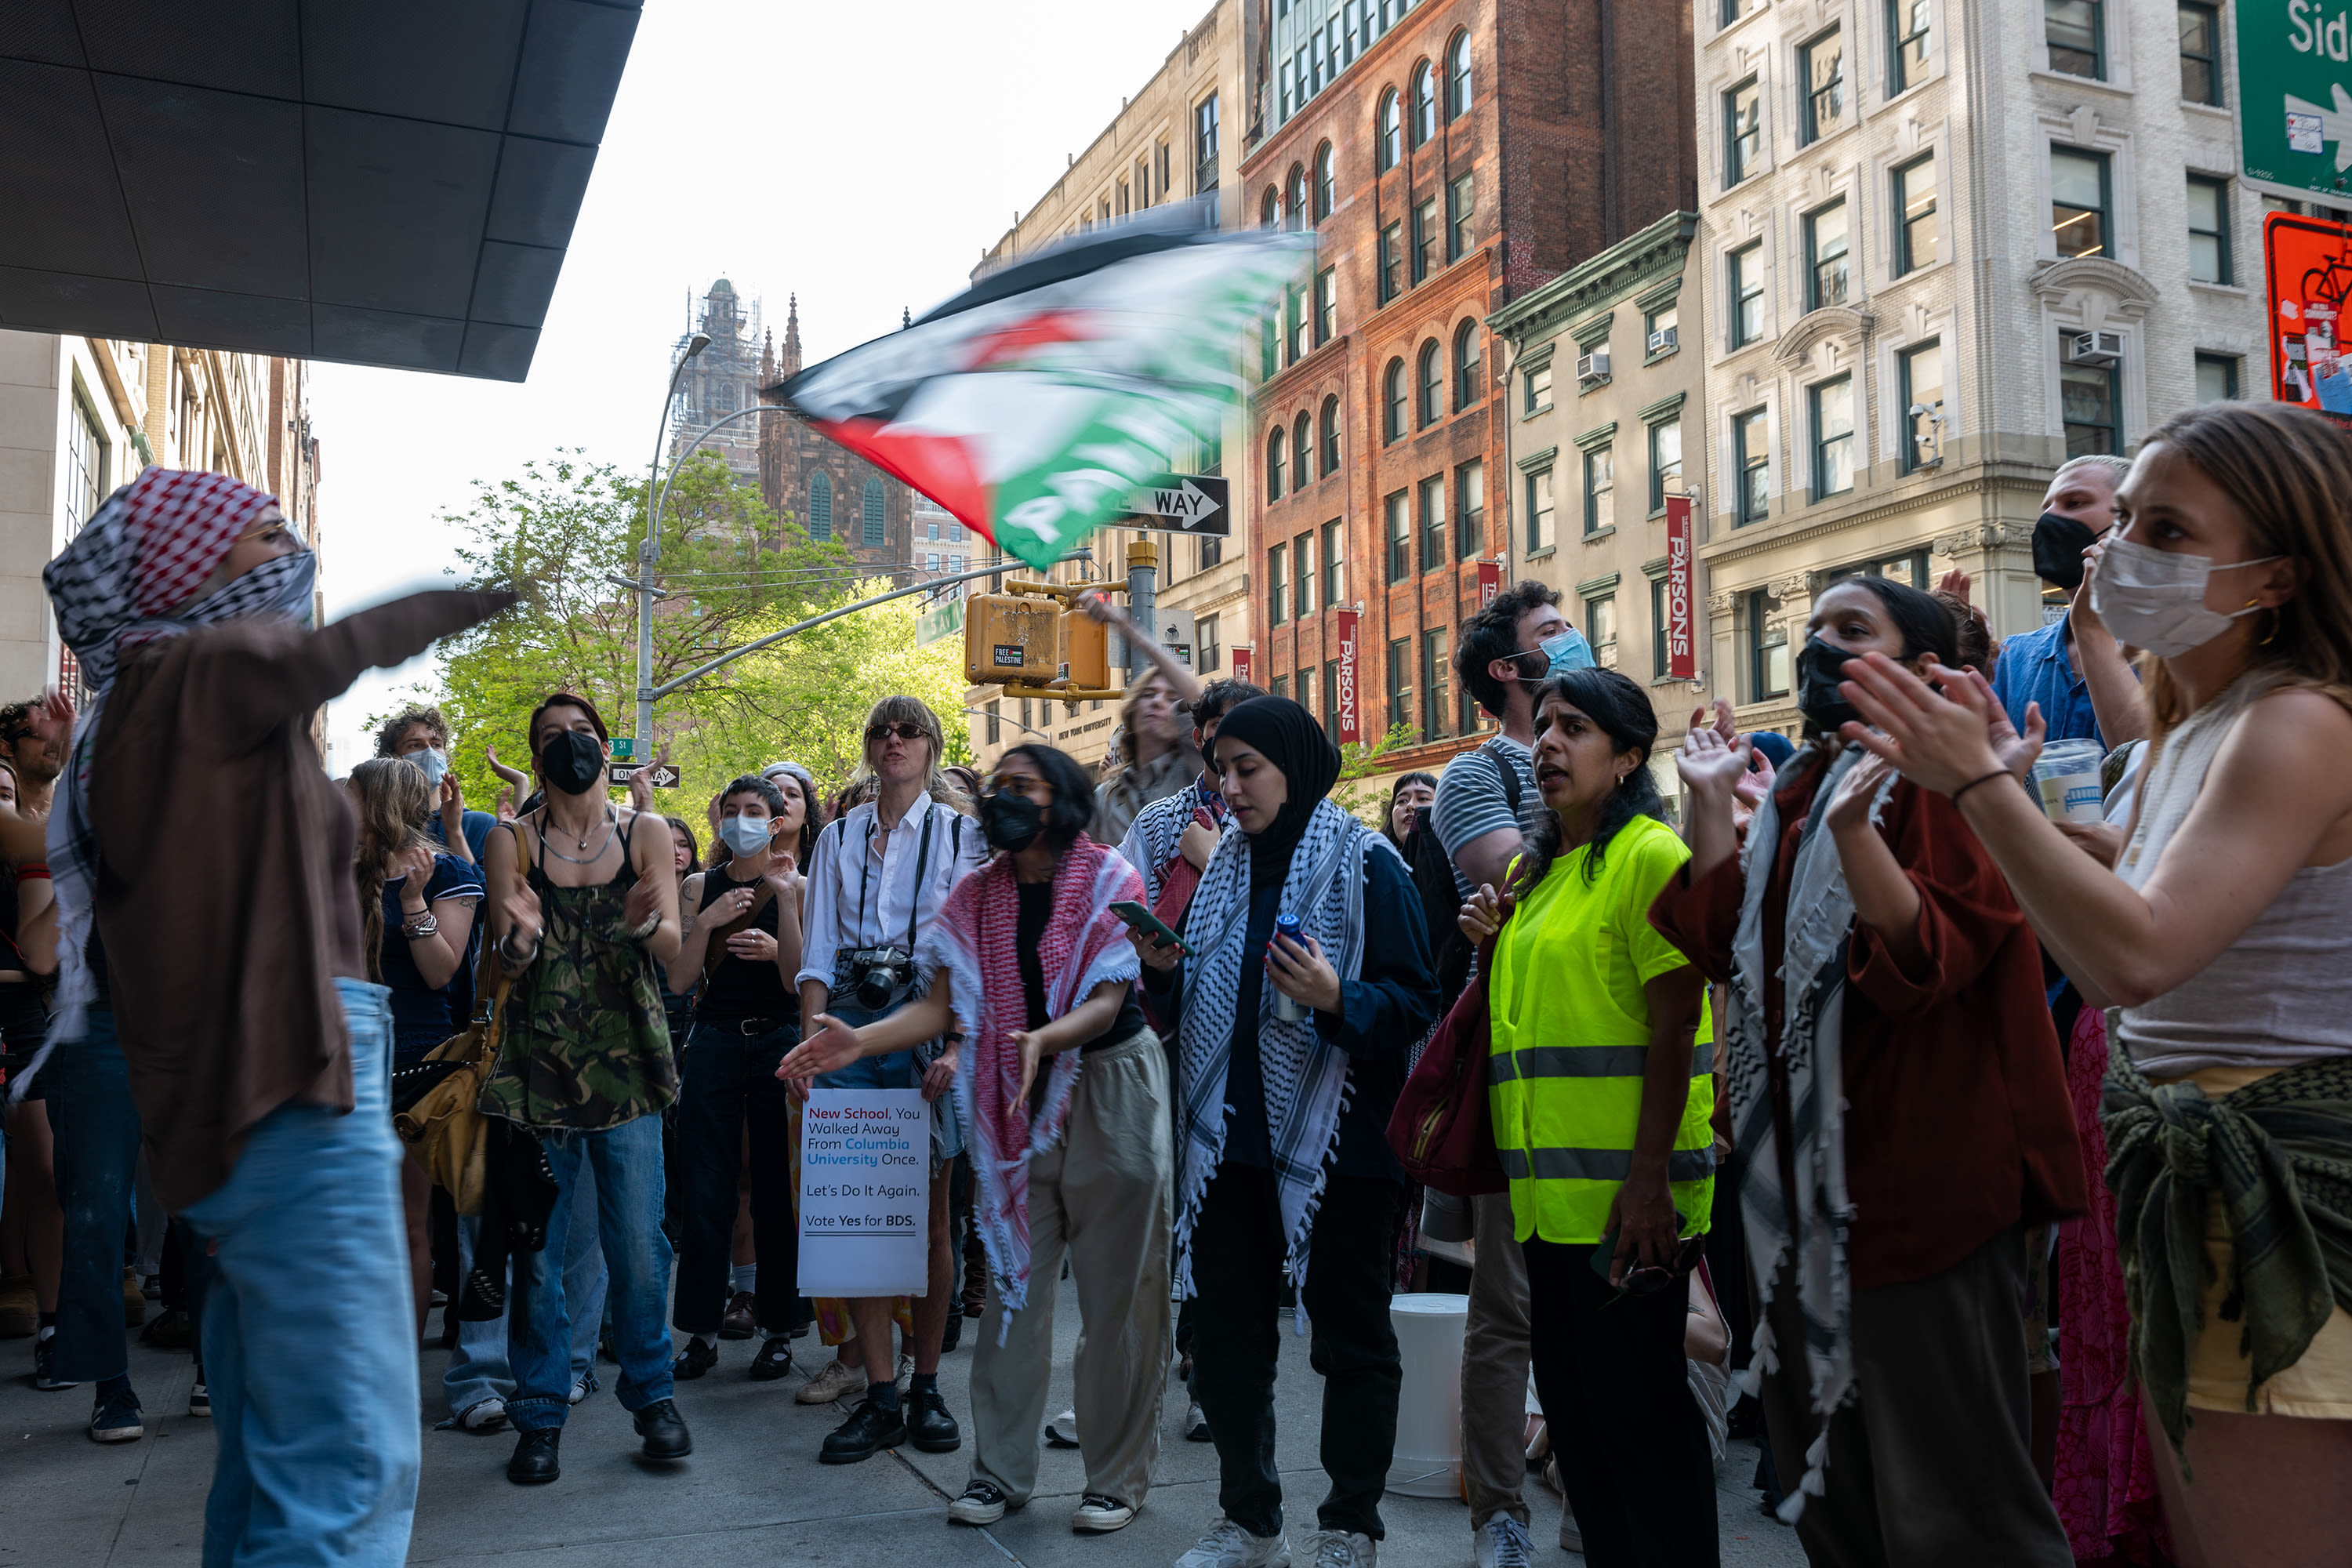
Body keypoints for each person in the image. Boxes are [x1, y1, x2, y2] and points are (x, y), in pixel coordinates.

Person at [1829, 401, 2352, 1566]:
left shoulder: (2300, 722)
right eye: (2126, 525)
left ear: (2277, 576)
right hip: (2191, 1190)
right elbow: (2117, 902)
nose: (2117, 554)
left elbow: (2137, 955)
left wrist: (1979, 790)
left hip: (2286, 1205)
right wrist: (2003, 792)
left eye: (2166, 530)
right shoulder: (2187, 727)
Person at [33, 467, 510, 1559]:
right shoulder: (206, 667)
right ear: (191, 564)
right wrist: (469, 599)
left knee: (267, 1458)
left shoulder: (136, 714)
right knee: (344, 1463)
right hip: (292, 1081)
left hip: (235, 1108)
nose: (292, 551)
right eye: (262, 533)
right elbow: (327, 653)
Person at [1650, 572, 2083, 1568]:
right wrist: (1711, 803)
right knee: (1833, 1489)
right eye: (1811, 630)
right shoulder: (1804, 783)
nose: (1818, 649)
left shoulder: (1949, 785)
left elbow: (1927, 959)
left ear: (1923, 667)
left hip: (1919, 1194)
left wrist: (1855, 831)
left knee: (1952, 1502)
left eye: (1853, 629)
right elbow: (1730, 948)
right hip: (1804, 1201)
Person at [786, 743, 1172, 1534]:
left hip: (1108, 1087)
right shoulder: (973, 894)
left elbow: (1106, 999)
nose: (1001, 798)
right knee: (1011, 1295)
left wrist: (1042, 1038)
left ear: (1061, 798)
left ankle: (1115, 1478)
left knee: (1120, 1298)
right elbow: (939, 1005)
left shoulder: (1108, 877)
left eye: (1021, 787)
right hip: (1013, 1098)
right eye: (996, 787)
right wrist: (859, 1041)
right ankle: (1000, 1472)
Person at [1138, 696, 1439, 1568]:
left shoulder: (1368, 861)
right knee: (1228, 1346)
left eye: (1246, 768)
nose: (1229, 787)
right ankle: (1251, 1518)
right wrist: (1162, 975)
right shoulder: (1220, 870)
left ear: (1295, 768)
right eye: (1220, 769)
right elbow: (1191, 1006)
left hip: (1339, 1146)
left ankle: (1350, 1523)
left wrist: (1338, 998)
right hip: (1224, 1151)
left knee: (1352, 1342)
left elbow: (1413, 1003)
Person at [1457, 668, 1716, 1568]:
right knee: (1580, 1435)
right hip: (1547, 1208)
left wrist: (1648, 1183)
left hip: (1626, 1209)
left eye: (1576, 728)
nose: (1549, 744)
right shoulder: (1542, 871)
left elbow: (1679, 1021)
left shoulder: (1649, 852)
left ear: (1630, 755)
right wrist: (1492, 941)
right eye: (1545, 727)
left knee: (1641, 1436)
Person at [481, 691, 688, 1486]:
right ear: (535, 758)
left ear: (606, 746)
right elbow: (502, 960)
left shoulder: (645, 834)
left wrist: (641, 921)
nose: (568, 746)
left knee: (638, 1245)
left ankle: (653, 1394)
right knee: (539, 1256)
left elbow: (670, 951)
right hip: (537, 1074)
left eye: (580, 734)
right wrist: (521, 939)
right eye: (550, 738)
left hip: (628, 1065)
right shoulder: (511, 839)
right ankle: (539, 1413)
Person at [792, 696, 987, 1459]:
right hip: (845, 1019)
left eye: (909, 729)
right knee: (860, 1219)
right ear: (870, 747)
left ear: (933, 746)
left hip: (928, 1021)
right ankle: (879, 1394)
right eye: (882, 730)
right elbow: (819, 952)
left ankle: (927, 1382)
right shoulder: (836, 836)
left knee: (932, 1220)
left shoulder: (962, 835)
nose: (895, 739)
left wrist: (959, 1046)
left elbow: (974, 953)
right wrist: (809, 1046)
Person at [1434, 578, 1572, 1568]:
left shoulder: (1621, 756)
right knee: (1511, 1305)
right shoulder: (1475, 775)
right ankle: (1502, 1513)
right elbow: (1522, 885)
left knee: (1613, 1299)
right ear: (1510, 670)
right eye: (1553, 633)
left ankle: (1594, 1485)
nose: (1575, 640)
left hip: (1624, 1071)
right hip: (1522, 1069)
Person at [1114, 674, 1265, 1444]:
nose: (1232, 746)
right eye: (1218, 729)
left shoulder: (1279, 820)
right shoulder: (1161, 819)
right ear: (1200, 736)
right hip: (1164, 1032)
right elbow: (1118, 912)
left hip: (1252, 1040)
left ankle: (1210, 1370)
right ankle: (1145, 1365)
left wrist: (1217, 862)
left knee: (1223, 1205)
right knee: (1167, 1199)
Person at [667, 771, 810, 1382]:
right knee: (707, 1190)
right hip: (716, 1044)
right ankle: (699, 1331)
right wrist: (707, 921)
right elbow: (678, 982)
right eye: (732, 809)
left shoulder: (796, 885)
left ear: (777, 821)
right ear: (718, 819)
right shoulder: (701, 885)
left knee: (777, 1192)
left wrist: (787, 923)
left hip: (778, 1043)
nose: (742, 818)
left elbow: (798, 983)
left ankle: (780, 1330)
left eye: (755, 809)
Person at [347, 756, 484, 1339]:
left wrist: (412, 903)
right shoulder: (331, 869)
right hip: (341, 1057)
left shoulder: (448, 871)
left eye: (350, 795)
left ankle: (395, 1359)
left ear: (378, 803)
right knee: (346, 1220)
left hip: (414, 1064)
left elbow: (440, 972)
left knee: (408, 1221)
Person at [1991, 455, 2144, 750]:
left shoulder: (2180, 647)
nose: (2049, 519)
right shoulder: (2015, 657)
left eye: (2074, 503)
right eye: (2046, 508)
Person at [1083, 591, 1207, 845]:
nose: (1158, 701)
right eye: (1148, 694)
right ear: (1132, 711)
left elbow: (1200, 702)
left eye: (1170, 697)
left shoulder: (1193, 775)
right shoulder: (1104, 796)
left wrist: (1125, 625)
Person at [376, 703, 495, 865]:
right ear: (392, 758)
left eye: (436, 744)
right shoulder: (379, 826)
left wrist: (455, 833)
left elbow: (486, 889)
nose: (429, 752)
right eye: (415, 745)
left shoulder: (479, 824)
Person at [1381, 772, 1436, 858]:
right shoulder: (1372, 866)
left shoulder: (1459, 860)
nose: (1410, 805)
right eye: (1402, 801)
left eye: (1423, 798)